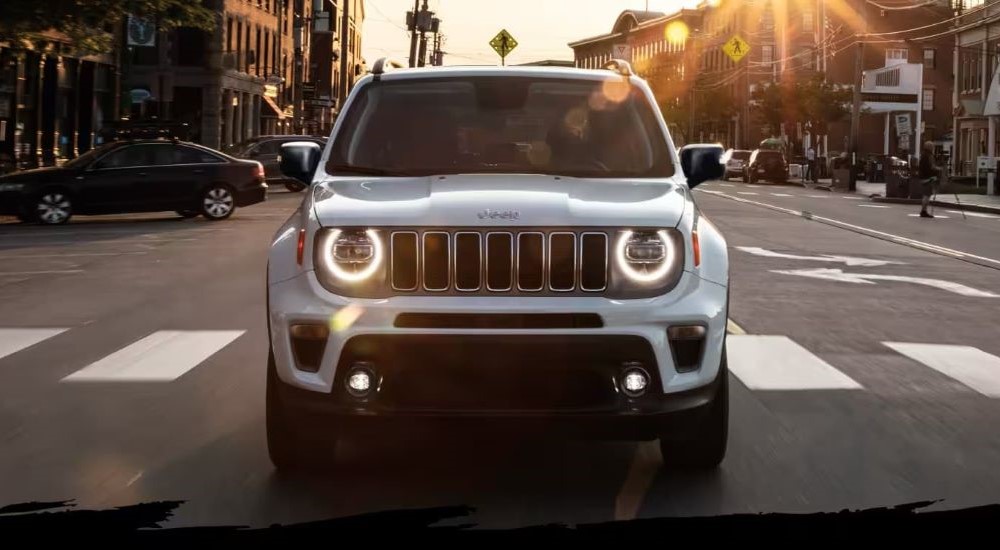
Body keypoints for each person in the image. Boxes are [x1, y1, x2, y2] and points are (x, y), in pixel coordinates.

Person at [918, 141, 939, 218]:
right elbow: (932, 167)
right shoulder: (929, 156)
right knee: (927, 195)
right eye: (932, 147)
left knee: (926, 194)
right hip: (928, 178)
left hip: (923, 177)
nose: (933, 148)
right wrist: (939, 169)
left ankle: (924, 210)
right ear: (930, 147)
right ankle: (923, 211)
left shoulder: (923, 155)